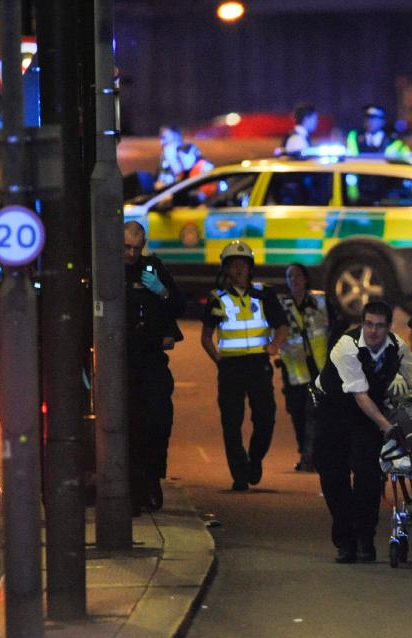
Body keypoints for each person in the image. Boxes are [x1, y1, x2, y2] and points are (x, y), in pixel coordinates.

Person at [312, 299, 412, 563]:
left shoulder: (396, 347)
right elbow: (360, 395)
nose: (373, 331)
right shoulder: (347, 346)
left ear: (389, 327)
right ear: (363, 324)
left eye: (379, 326)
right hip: (333, 410)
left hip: (366, 414)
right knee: (334, 476)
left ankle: (365, 538)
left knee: (368, 474)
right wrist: (388, 427)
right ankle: (345, 540)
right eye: (369, 325)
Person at [201, 240, 288, 491]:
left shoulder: (264, 294)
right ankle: (239, 474)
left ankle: (255, 458)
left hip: (258, 364)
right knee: (231, 421)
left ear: (251, 269)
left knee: (265, 417)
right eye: (233, 265)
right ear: (226, 269)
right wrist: (218, 359)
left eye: (243, 265)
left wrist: (275, 344)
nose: (239, 270)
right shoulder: (216, 298)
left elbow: (282, 325)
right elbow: (206, 336)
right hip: (230, 368)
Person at [124, 221, 186, 513]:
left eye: (137, 248)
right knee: (130, 426)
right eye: (126, 247)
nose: (132, 254)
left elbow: (179, 305)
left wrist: (161, 292)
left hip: (151, 359)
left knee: (160, 421)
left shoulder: (153, 268)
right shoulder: (107, 267)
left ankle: (152, 478)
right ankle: (136, 491)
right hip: (122, 363)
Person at [276, 263, 332, 472]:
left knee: (315, 413)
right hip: (294, 370)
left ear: (306, 278)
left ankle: (311, 456)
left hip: (318, 368)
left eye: (298, 275)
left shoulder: (319, 301)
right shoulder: (282, 304)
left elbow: (334, 327)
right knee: (297, 412)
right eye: (290, 277)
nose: (295, 280)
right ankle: (305, 451)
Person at [345, 105, 410, 160]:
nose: (370, 122)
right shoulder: (354, 136)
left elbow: (407, 158)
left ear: (383, 121)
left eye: (374, 119)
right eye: (367, 118)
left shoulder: (393, 140)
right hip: (358, 172)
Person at [155, 125, 183, 190]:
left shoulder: (171, 149)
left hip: (169, 189)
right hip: (167, 187)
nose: (161, 139)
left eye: (164, 136)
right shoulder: (168, 150)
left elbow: (179, 174)